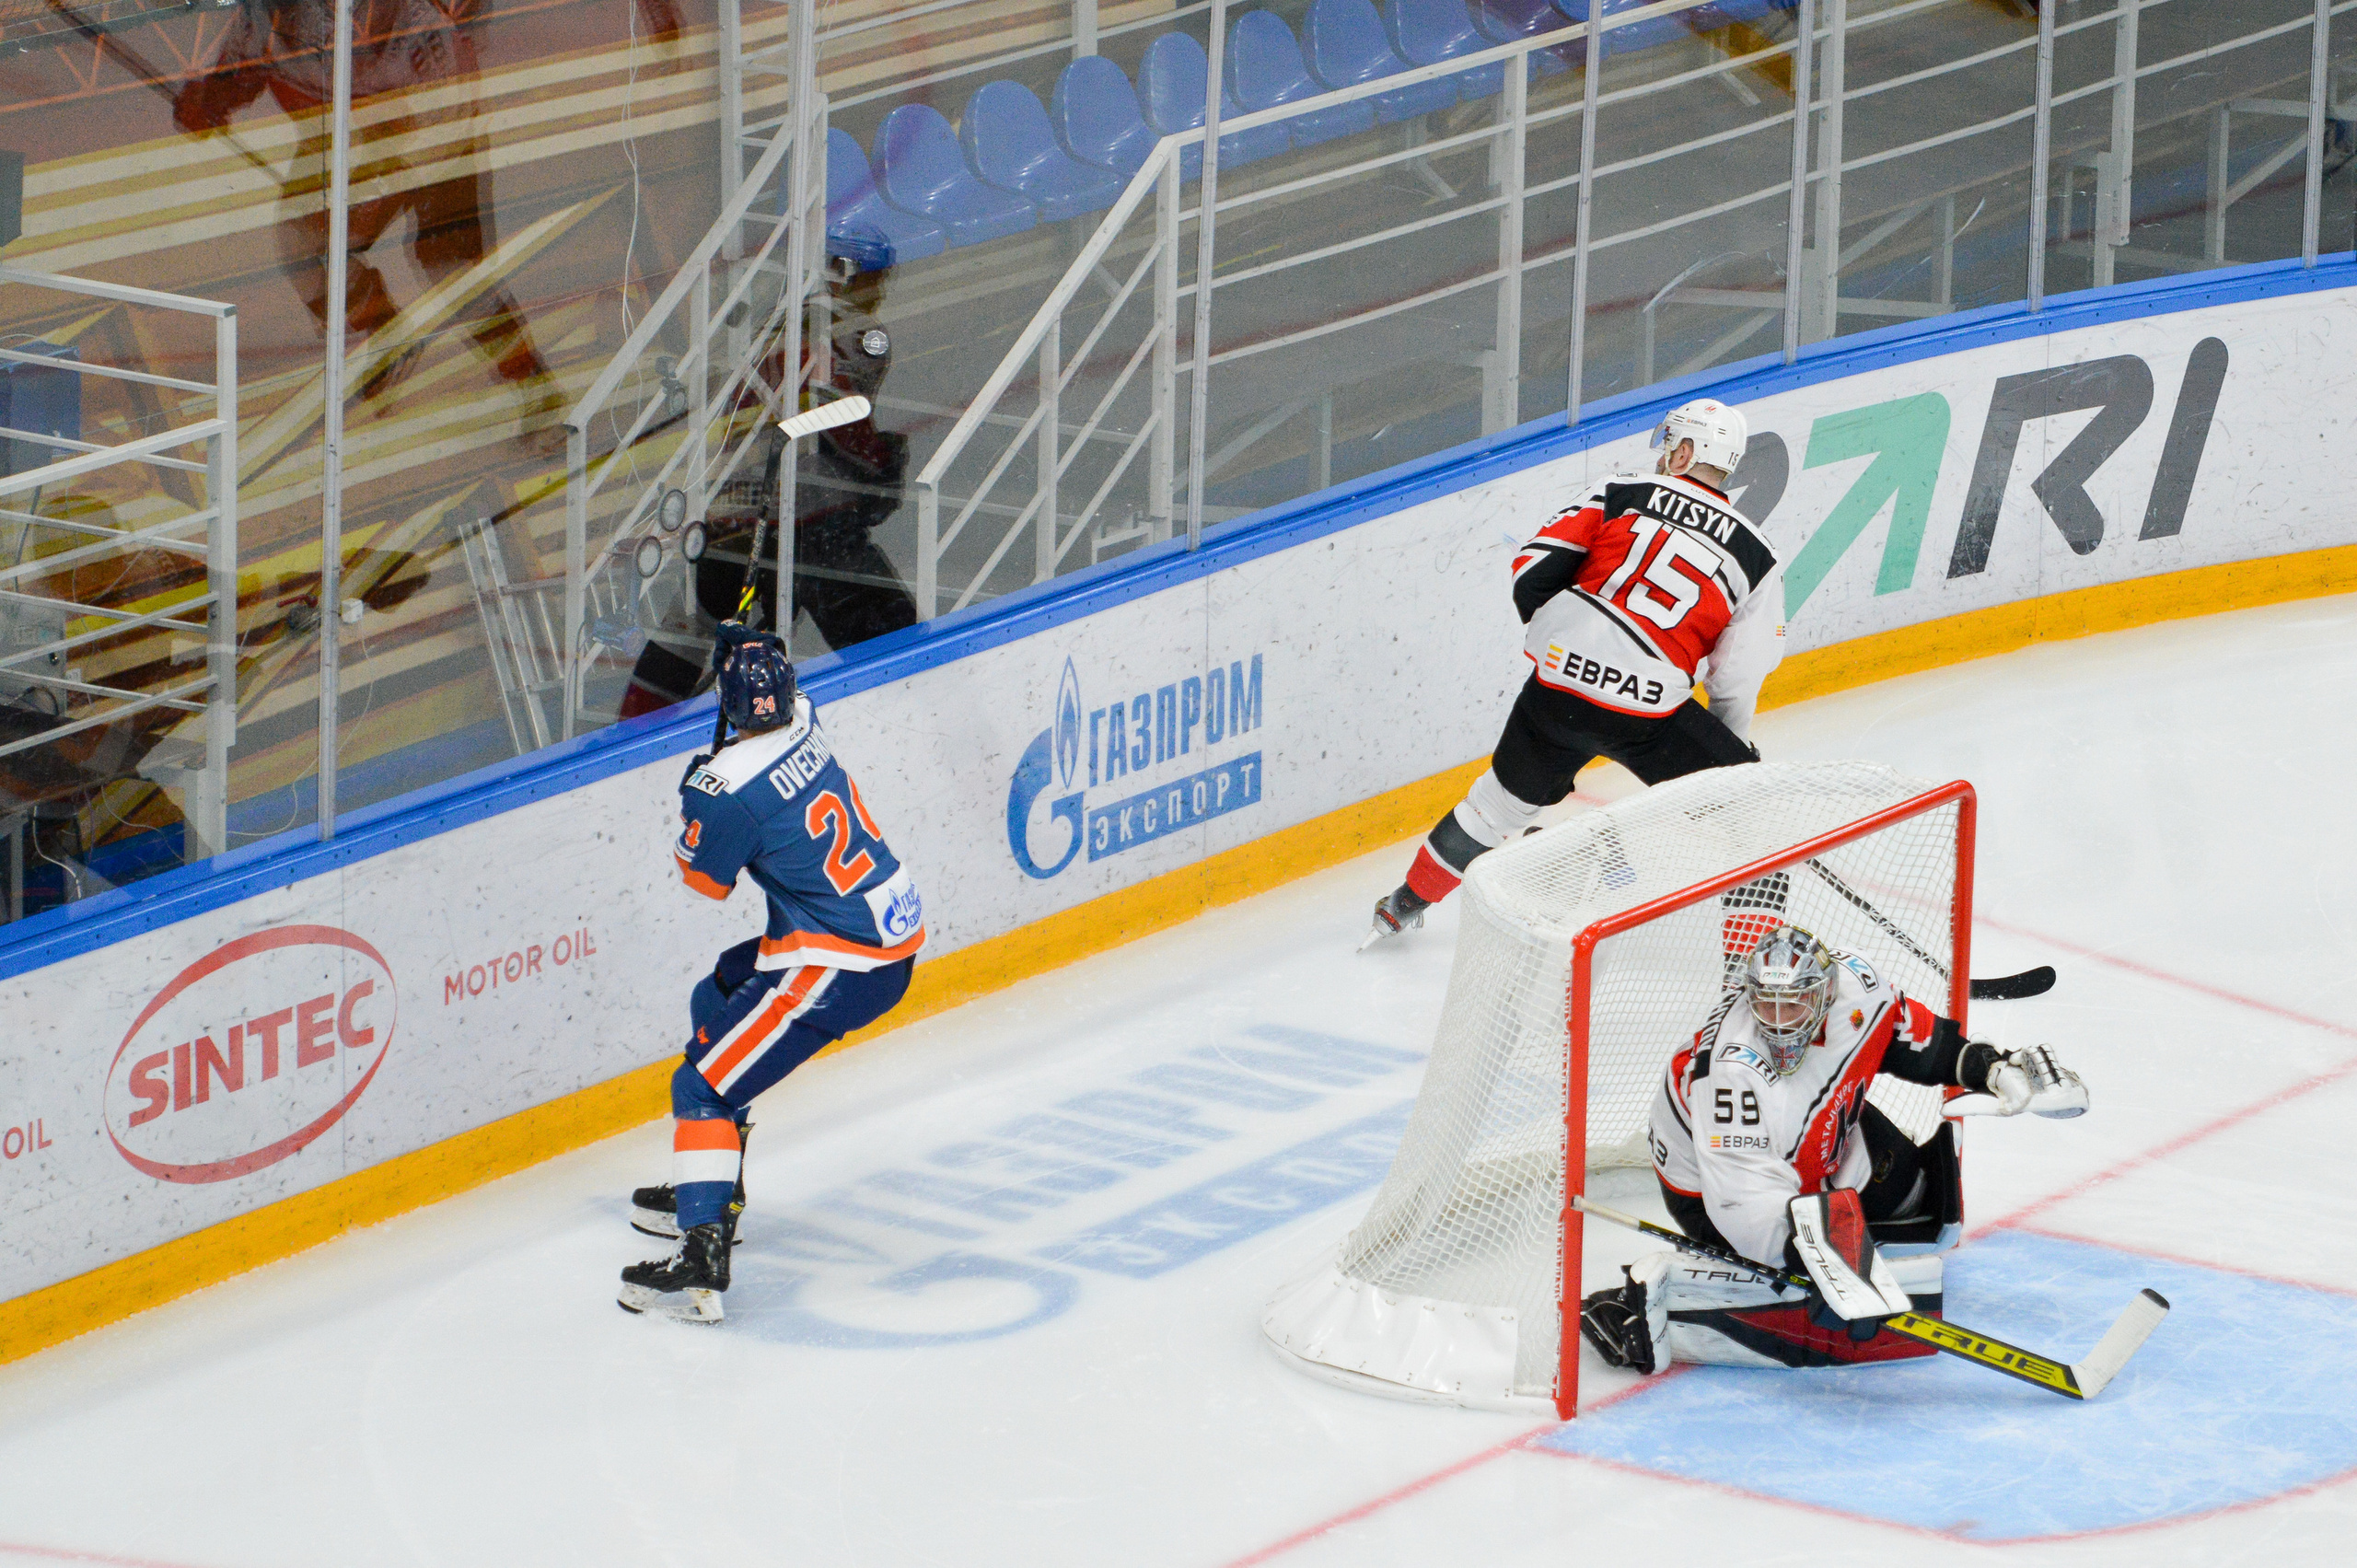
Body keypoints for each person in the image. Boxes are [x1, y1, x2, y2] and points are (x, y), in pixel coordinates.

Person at [1364, 397, 1784, 948]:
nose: (1662, 457)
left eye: (1668, 446)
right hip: (1648, 713)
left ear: (1684, 452)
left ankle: (1404, 904)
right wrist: (1730, 759)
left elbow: (1532, 568)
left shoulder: (1620, 491)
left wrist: (1565, 641)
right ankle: (1754, 962)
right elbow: (1740, 672)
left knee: (1496, 806)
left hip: (1555, 694)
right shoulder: (1759, 554)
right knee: (1751, 824)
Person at [1579, 923, 2088, 1373]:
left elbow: (1912, 1038)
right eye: (1766, 1003)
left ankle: (1822, 1238)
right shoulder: (1731, 1079)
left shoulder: (1857, 983)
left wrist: (1991, 1067)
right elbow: (1741, 1202)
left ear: (1825, 992)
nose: (1779, 1021)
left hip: (1815, 1134)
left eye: (1793, 1003)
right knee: (1798, 1304)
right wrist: (1815, 1266)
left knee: (1922, 1201)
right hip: (1710, 1186)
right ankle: (1644, 1310)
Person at [618, 623, 925, 1323]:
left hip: (842, 961)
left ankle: (703, 1249)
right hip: (868, 928)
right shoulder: (807, 717)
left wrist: (695, 801)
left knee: (699, 1085)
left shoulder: (724, 790)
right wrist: (753, 648)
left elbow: (705, 882)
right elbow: (771, 701)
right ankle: (714, 1181)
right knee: (720, 992)